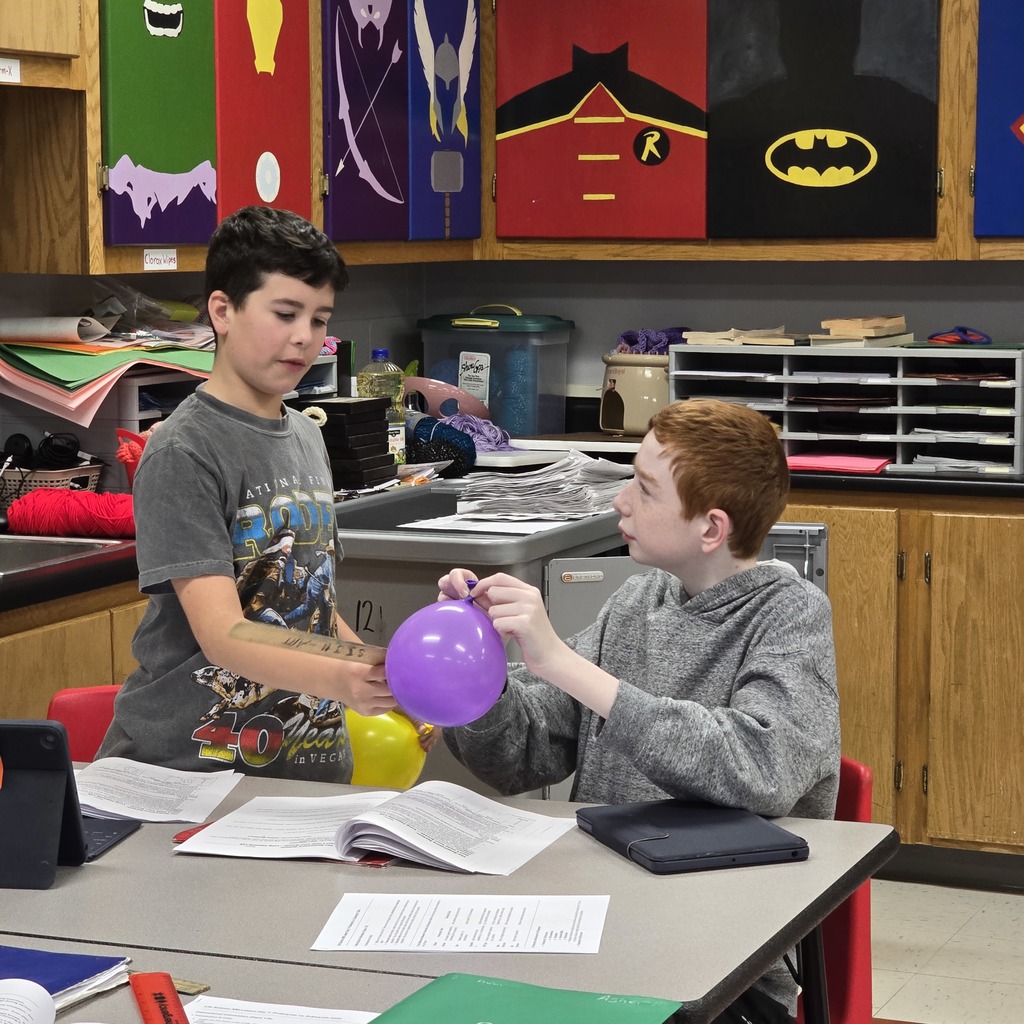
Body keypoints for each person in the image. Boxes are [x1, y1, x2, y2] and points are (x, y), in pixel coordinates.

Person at [439, 398, 840, 1024]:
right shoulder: (640, 598)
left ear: (711, 528)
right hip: (600, 925)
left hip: (721, 973)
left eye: (645, 489)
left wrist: (565, 666)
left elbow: (763, 769)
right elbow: (525, 755)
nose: (620, 501)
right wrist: (477, 676)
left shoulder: (789, 615)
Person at [98, 205, 397, 781]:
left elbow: (310, 606)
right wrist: (347, 675)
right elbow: (225, 637)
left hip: (306, 768)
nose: (304, 337)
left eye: (320, 318)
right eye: (285, 313)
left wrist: (383, 671)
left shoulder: (308, 436)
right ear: (222, 311)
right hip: (189, 775)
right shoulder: (183, 451)